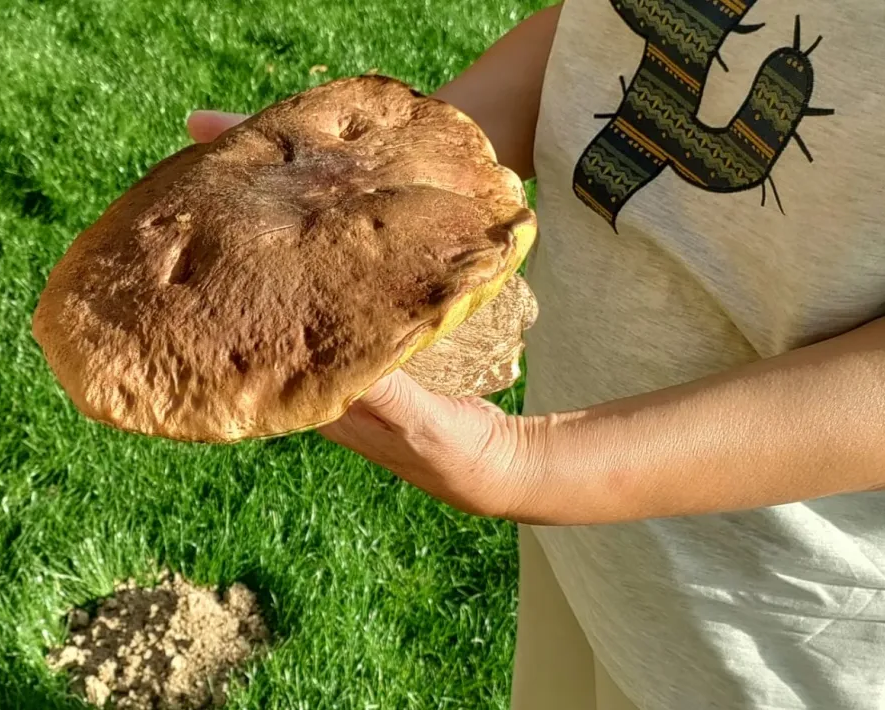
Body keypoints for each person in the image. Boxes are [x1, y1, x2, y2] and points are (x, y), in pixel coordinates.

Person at [190, 0, 885, 707]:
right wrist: (386, 176)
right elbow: (611, 29)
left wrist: (534, 462)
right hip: (581, 537)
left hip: (757, 632)